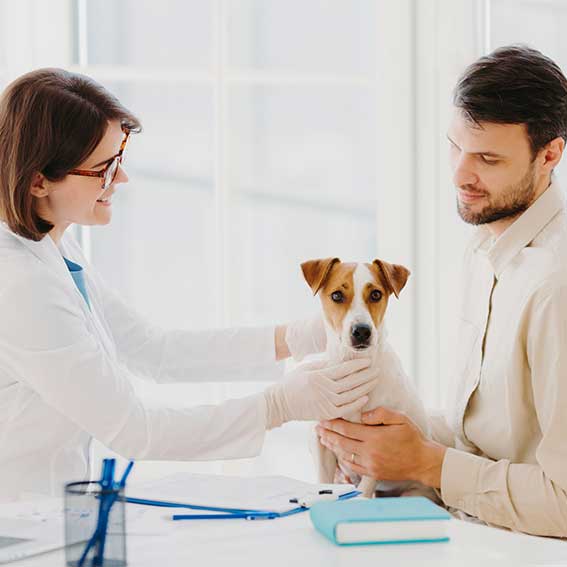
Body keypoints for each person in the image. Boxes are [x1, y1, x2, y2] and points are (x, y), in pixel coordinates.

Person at [0, 68, 379, 501]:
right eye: (104, 168)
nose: (121, 179)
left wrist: (294, 337)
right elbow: (135, 430)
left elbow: (151, 349)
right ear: (38, 180)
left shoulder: (52, 244)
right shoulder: (19, 286)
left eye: (119, 159)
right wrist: (277, 407)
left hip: (50, 514)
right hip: (19, 519)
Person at [317, 45, 567, 538]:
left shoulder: (554, 290)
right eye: (455, 146)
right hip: (462, 534)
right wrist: (385, 443)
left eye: (487, 158)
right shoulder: (486, 249)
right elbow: (485, 442)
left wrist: (429, 464)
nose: (458, 175)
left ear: (550, 154)